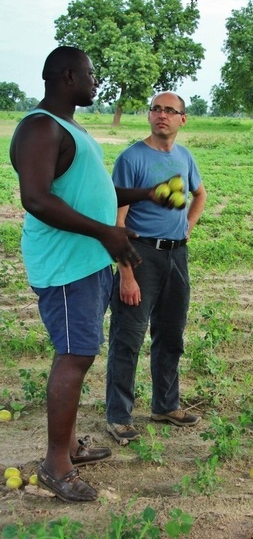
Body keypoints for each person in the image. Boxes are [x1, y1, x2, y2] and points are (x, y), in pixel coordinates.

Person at [9, 46, 174, 502]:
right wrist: (107, 233)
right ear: (67, 76)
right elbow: (36, 199)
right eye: (90, 73)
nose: (95, 81)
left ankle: (67, 447)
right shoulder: (40, 127)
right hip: (66, 267)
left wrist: (147, 194)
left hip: (87, 263)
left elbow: (90, 189)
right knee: (74, 356)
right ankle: (56, 465)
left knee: (78, 354)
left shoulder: (69, 128)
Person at [105, 92, 207, 443]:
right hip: (141, 254)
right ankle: (118, 416)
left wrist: (187, 228)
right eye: (156, 109)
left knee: (171, 334)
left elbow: (200, 194)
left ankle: (165, 405)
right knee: (128, 337)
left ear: (183, 119)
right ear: (149, 116)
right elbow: (119, 219)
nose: (161, 115)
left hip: (177, 257)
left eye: (170, 111)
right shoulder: (131, 158)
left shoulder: (184, 156)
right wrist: (127, 273)